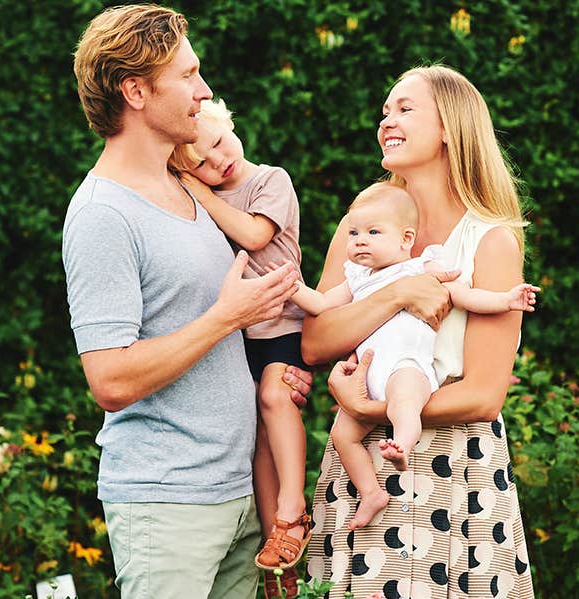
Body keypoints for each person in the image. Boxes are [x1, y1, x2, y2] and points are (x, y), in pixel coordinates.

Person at [62, 6, 312, 598]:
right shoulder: (103, 214)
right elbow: (111, 380)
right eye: (189, 76)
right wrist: (228, 316)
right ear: (137, 91)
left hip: (240, 498)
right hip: (167, 505)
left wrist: (284, 364)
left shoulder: (192, 190)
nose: (204, 93)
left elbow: (250, 324)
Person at [302, 65, 537, 598]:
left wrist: (368, 410)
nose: (387, 120)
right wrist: (400, 294)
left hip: (453, 470)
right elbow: (316, 342)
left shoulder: (491, 241)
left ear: (451, 127)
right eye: (385, 110)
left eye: (405, 109)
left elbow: (483, 395)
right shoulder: (364, 220)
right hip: (362, 464)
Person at [282, 182, 538, 532]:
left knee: (404, 403)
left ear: (405, 239)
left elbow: (465, 295)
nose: (359, 240)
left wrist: (505, 300)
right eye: (354, 232)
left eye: (372, 232)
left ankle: (402, 442)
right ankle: (371, 492)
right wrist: (291, 287)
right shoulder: (356, 277)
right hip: (371, 382)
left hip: (406, 369)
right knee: (344, 436)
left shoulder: (420, 268)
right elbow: (322, 308)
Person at [168, 98, 313, 592]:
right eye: (202, 165)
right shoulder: (201, 198)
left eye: (218, 144)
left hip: (283, 325)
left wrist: (200, 192)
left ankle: (293, 510)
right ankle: (277, 550)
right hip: (239, 335)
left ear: (230, 123)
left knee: (277, 397)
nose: (218, 162)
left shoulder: (269, 180)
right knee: (258, 441)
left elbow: (254, 234)